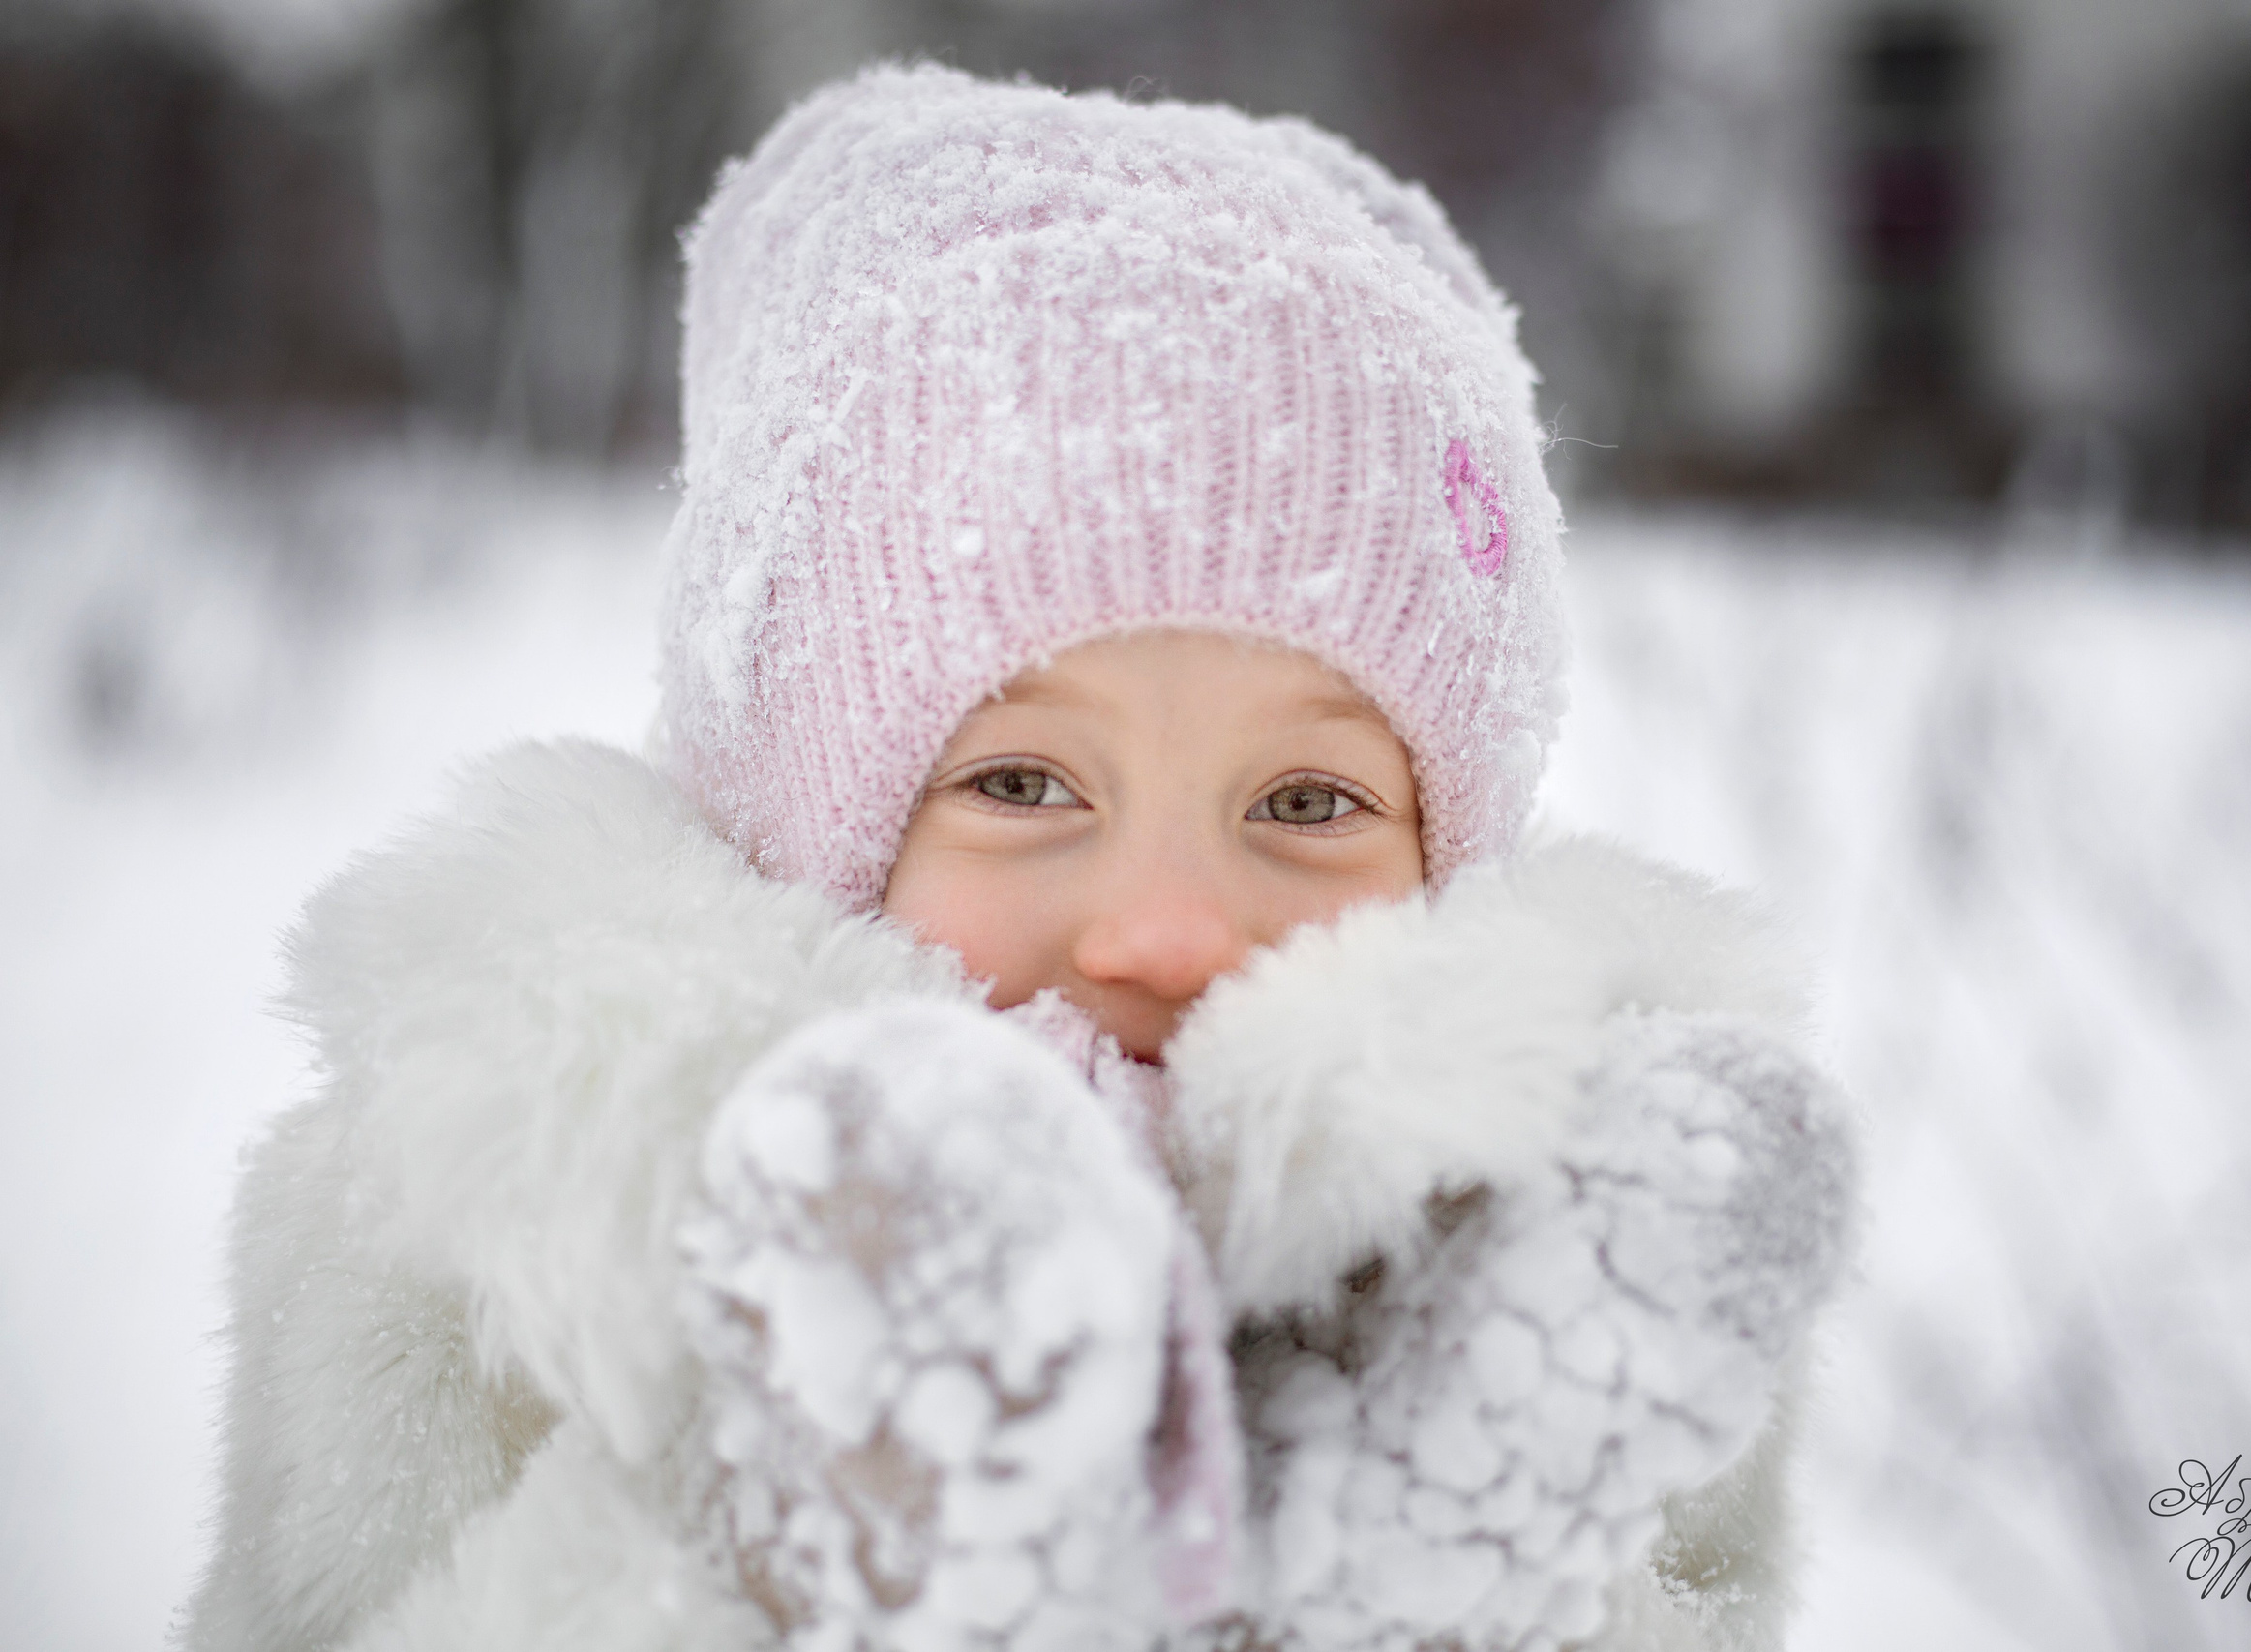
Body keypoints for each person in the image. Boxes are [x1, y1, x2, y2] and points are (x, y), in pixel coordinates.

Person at [180, 62, 1855, 1652]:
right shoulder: (508, 1221)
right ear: (803, 820)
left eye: (1306, 805)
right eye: (1025, 782)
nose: (1172, 933)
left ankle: (1437, 1557)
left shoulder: (1585, 1247)